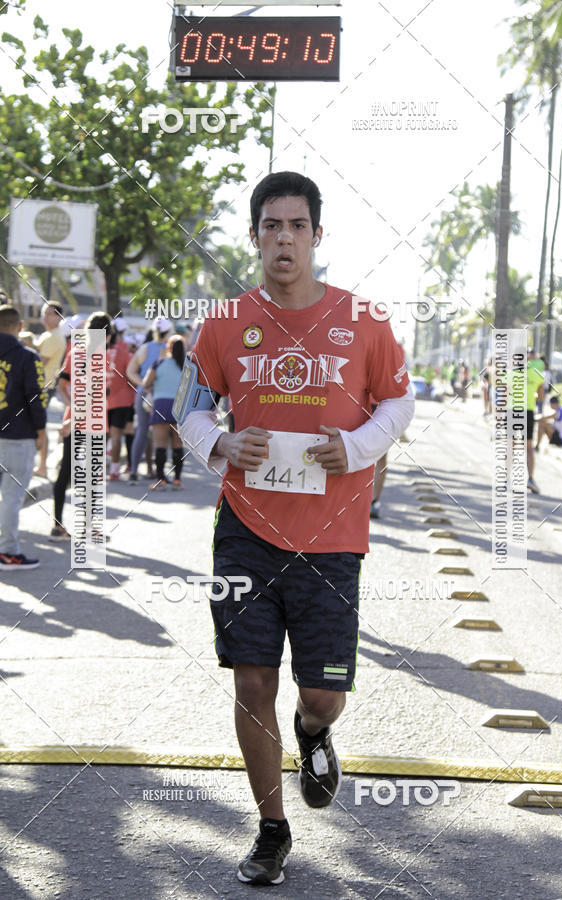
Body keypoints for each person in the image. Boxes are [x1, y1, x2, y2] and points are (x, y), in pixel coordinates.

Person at [178, 171, 415, 885]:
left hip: (332, 536)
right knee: (253, 683)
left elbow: (398, 403)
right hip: (245, 531)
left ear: (316, 234)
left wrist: (357, 447)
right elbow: (190, 410)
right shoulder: (224, 322)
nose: (285, 238)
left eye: (297, 226)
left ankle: (313, 733)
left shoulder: (363, 319)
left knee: (322, 696)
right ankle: (271, 830)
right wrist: (222, 442)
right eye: (272, 226)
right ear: (254, 236)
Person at [51, 313, 112, 540]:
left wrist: (71, 410)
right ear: (107, 336)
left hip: (74, 422)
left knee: (65, 472)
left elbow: (61, 385)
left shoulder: (74, 353)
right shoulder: (102, 357)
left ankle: (57, 526)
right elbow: (93, 394)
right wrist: (74, 417)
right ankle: (88, 528)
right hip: (93, 424)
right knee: (91, 476)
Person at [0, 304, 48, 568]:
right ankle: (7, 551)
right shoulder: (27, 357)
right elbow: (36, 397)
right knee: (11, 497)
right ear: (19, 326)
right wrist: (41, 431)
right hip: (17, 436)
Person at [126, 316, 172, 482]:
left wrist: (143, 384)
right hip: (162, 396)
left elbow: (130, 371)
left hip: (143, 395)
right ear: (168, 332)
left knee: (142, 431)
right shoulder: (169, 350)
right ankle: (160, 473)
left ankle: (133, 471)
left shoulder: (144, 348)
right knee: (163, 434)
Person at [142, 334, 185, 489]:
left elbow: (146, 383)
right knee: (178, 445)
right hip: (180, 407)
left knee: (160, 445)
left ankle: (160, 480)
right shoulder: (187, 366)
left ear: (168, 347)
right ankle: (177, 480)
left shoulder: (159, 363)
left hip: (161, 405)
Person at [32, 301, 67, 478]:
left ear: (59, 317)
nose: (45, 316)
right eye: (44, 312)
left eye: (49, 313)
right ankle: (40, 466)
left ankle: (43, 467)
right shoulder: (49, 335)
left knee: (39, 426)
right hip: (41, 385)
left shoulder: (54, 336)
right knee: (37, 425)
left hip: (43, 386)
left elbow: (39, 361)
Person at [107, 319, 135, 482]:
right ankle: (114, 470)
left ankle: (97, 471)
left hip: (101, 400)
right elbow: (131, 376)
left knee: (101, 436)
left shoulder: (96, 351)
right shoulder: (125, 352)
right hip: (123, 400)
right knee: (116, 436)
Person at [526, 350, 545, 494]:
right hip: (528, 411)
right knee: (529, 448)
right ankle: (531, 479)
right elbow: (540, 397)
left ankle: (505, 479)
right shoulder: (536, 374)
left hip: (512, 411)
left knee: (510, 446)